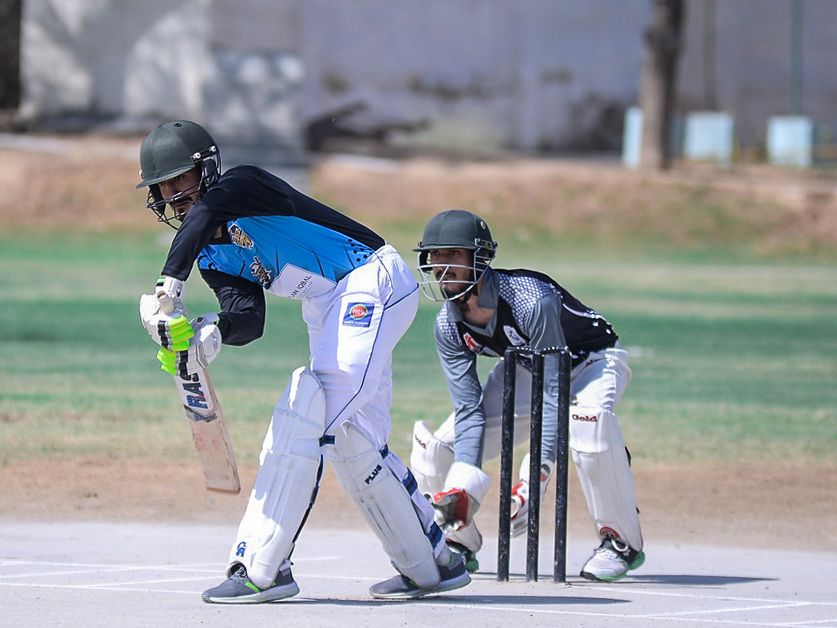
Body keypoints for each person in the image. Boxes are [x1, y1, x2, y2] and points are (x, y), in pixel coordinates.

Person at [135, 120, 470, 603]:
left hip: (368, 278)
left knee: (304, 420)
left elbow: (207, 211)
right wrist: (213, 333)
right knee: (353, 436)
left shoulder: (241, 186)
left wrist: (168, 285)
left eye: (180, 180)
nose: (174, 195)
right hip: (326, 307)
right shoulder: (211, 254)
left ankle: (263, 566)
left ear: (206, 170)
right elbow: (248, 318)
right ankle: (432, 562)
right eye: (164, 188)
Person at [409, 209, 644, 582]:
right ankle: (457, 541)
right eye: (436, 255)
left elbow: (552, 391)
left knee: (590, 426)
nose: (442, 265)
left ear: (480, 256)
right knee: (435, 449)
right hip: (524, 367)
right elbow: (469, 409)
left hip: (591, 362)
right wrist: (463, 486)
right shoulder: (448, 326)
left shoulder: (530, 299)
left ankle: (620, 543)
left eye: (453, 254)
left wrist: (536, 476)